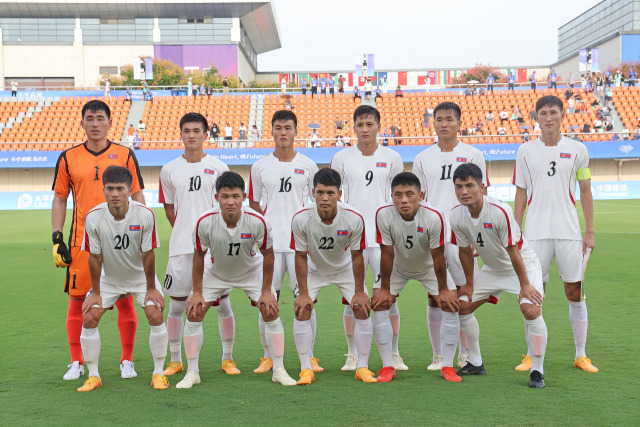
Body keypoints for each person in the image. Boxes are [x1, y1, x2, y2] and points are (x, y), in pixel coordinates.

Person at [176, 171, 297, 388]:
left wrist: (267, 290)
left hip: (250, 272)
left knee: (270, 310)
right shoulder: (204, 222)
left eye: (235, 196)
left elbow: (268, 254)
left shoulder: (258, 221)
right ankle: (192, 371)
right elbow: (198, 256)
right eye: (225, 196)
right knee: (194, 312)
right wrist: (196, 291)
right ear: (217, 198)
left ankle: (278, 368)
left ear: (244, 196)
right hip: (216, 274)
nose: (230, 202)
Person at [52, 100, 144, 382]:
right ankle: (76, 361)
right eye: (89, 118)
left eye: (100, 118)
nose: (94, 123)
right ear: (82, 123)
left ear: (109, 122)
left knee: (125, 300)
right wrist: (57, 236)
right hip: (82, 243)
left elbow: (138, 194)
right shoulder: (68, 157)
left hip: (120, 243)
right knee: (78, 302)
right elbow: (59, 198)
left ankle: (126, 360)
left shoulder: (125, 154)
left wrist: (140, 232)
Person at [513, 95, 597, 373]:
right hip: (535, 232)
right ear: (536, 117)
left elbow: (585, 190)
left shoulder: (578, 149)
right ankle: (530, 355)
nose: (548, 117)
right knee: (534, 293)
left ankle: (581, 355)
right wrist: (515, 230)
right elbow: (521, 193)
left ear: (562, 115)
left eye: (553, 112)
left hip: (569, 231)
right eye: (543, 113)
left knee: (575, 292)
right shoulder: (524, 151)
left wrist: (590, 231)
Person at [450, 163, 548, 389]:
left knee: (530, 308)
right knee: (462, 306)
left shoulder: (499, 210)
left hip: (523, 266)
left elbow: (513, 252)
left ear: (482, 187)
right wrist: (469, 284)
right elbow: (464, 251)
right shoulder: (456, 216)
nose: (464, 191)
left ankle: (537, 369)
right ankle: (474, 362)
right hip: (493, 269)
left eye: (469, 185)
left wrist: (525, 285)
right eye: (458, 187)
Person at [412, 101, 489, 370]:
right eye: (439, 119)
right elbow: (418, 200)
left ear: (459, 122)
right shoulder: (422, 158)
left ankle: (468, 355)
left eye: (449, 119)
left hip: (464, 236)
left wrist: (479, 236)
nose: (444, 123)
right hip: (434, 236)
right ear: (432, 123)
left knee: (464, 295)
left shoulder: (474, 155)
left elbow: (483, 197)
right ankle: (439, 356)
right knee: (435, 296)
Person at [77, 166, 168, 392]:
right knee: (89, 318)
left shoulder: (145, 215)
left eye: (120, 188)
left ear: (130, 190)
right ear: (103, 190)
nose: (115, 193)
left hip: (140, 278)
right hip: (109, 280)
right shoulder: (94, 217)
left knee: (155, 314)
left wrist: (150, 289)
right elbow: (95, 257)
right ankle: (94, 375)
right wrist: (96, 292)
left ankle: (158, 373)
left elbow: (148, 254)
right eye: (110, 189)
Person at [330, 105, 405, 371]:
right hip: (352, 240)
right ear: (354, 127)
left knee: (388, 297)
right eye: (360, 124)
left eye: (369, 124)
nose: (365, 129)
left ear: (378, 126)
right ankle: (352, 354)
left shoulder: (393, 157)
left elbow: (401, 196)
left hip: (384, 239)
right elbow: (335, 197)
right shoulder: (340, 158)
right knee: (353, 297)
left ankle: (395, 353)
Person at [159, 112, 231, 378]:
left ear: (205, 134)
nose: (191, 135)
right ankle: (176, 359)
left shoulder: (219, 167)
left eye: (196, 131)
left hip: (214, 248)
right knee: (177, 306)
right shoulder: (169, 169)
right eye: (186, 130)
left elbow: (226, 204)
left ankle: (228, 358)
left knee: (222, 304)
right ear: (181, 134)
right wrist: (184, 231)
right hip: (180, 248)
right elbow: (169, 207)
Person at [248, 110, 320, 373]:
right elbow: (254, 204)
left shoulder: (309, 166)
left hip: (301, 244)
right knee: (267, 299)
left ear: (295, 131)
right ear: (272, 131)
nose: (283, 132)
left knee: (305, 298)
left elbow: (316, 203)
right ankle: (267, 355)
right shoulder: (260, 166)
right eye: (278, 127)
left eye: (288, 128)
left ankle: (309, 356)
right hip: (271, 245)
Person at [291, 168, 376, 384]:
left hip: (345, 269)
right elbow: (300, 257)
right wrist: (302, 292)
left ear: (340, 194)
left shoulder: (354, 218)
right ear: (313, 193)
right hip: (313, 269)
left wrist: (359, 291)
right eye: (320, 192)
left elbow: (357, 256)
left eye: (330, 192)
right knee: (302, 309)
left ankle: (363, 367)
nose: (325, 198)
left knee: (362, 308)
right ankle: (306, 368)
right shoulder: (301, 218)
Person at [374, 172, 461, 382]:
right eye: (398, 195)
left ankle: (447, 365)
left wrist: (443, 290)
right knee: (379, 304)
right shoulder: (383, 214)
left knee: (450, 305)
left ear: (420, 195)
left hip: (429, 267)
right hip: (397, 267)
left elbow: (438, 255)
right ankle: (387, 366)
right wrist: (384, 288)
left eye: (409, 194)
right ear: (391, 196)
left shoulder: (433, 216)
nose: (404, 200)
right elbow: (386, 253)